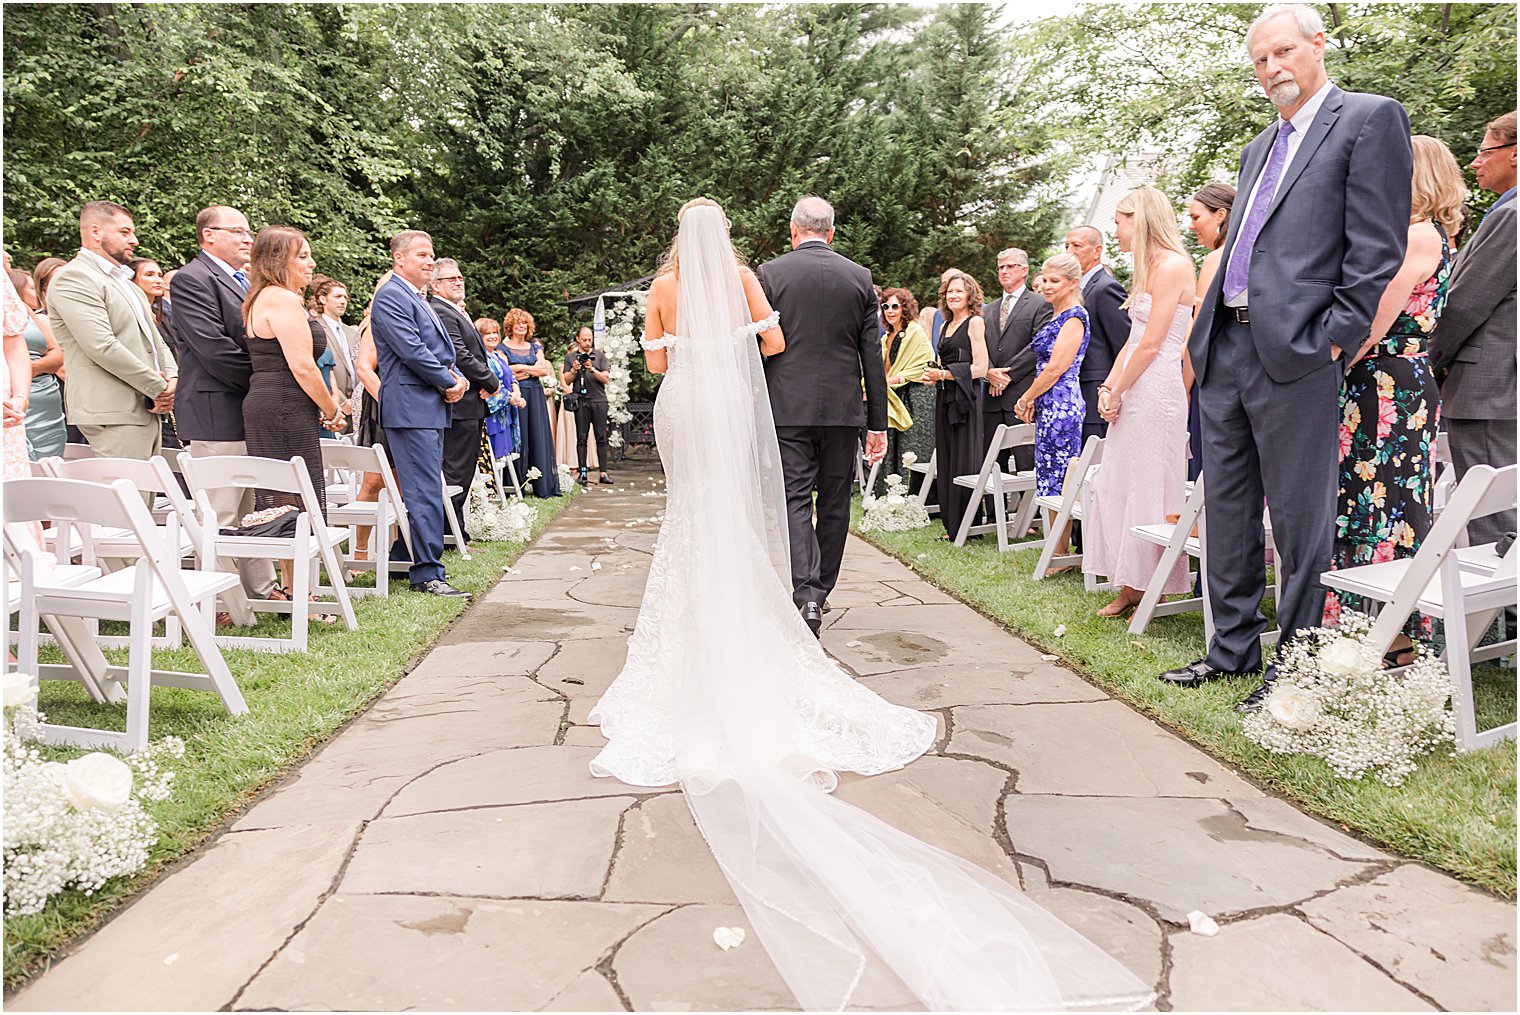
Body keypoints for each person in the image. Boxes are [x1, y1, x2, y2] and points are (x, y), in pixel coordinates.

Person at [585, 197, 1152, 1013]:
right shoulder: (783, 277)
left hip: (699, 412)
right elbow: (788, 341)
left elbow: (661, 367)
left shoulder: (680, 287)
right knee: (816, 506)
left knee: (713, 518)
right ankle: (808, 594)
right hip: (808, 406)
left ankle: (780, 594)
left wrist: (696, 353)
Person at [1163, 4, 1414, 713]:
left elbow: (1376, 249)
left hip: (1299, 351)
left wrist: (1334, 338)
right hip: (1226, 348)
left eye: (1281, 52)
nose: (1271, 69)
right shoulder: (1256, 149)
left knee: (1301, 520)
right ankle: (1231, 648)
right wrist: (1203, 336)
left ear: (1316, 44)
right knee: (1230, 507)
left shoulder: (1369, 119)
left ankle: (1295, 665)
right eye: (1259, 61)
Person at [1324, 134, 1464, 661]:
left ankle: (1391, 634)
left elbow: (1374, 316)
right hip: (1395, 379)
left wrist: (1336, 364)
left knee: (1381, 499)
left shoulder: (1420, 236)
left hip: (1384, 382)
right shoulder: (1427, 234)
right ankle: (1374, 627)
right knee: (1375, 495)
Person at [757, 195, 888, 633]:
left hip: (787, 406)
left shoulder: (770, 275)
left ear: (794, 231)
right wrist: (877, 423)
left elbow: (757, 349)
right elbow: (873, 358)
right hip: (843, 409)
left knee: (794, 497)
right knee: (834, 501)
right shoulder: (860, 278)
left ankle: (805, 594)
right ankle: (821, 592)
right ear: (831, 233)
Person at [1081, 188, 1197, 616]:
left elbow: (1151, 346)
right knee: (1117, 482)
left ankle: (1153, 584)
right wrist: (1108, 388)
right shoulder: (1146, 268)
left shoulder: (1173, 266)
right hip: (1134, 383)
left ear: (1141, 220)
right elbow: (1131, 341)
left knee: (1150, 485)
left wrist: (1118, 389)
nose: (1115, 230)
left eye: (1119, 221)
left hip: (1158, 389)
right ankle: (1128, 581)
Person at [168, 204, 276, 601]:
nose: (248, 239)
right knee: (220, 512)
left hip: (245, 408)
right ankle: (218, 602)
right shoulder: (192, 278)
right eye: (238, 231)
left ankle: (261, 591)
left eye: (249, 232)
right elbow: (212, 348)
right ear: (208, 235)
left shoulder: (244, 279)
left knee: (252, 507)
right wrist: (266, 380)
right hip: (217, 409)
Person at [242, 226, 346, 600]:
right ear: (276, 260)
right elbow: (303, 367)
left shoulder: (261, 298)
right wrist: (332, 409)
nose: (311, 263)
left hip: (275, 403)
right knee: (295, 498)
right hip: (284, 404)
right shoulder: (281, 300)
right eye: (302, 256)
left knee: (287, 497)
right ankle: (302, 594)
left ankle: (295, 589)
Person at [1431, 110, 1518, 547]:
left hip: (1489, 391)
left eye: (1485, 151)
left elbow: (1465, 305)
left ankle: (1505, 614)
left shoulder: (1512, 216)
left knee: (1493, 518)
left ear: (1515, 154)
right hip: (1500, 390)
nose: (1475, 162)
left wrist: (1428, 360)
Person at [371, 230, 472, 599]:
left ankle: (406, 559)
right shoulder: (391, 297)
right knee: (423, 491)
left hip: (425, 407)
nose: (430, 261)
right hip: (412, 407)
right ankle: (428, 573)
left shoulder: (416, 296)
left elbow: (433, 349)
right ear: (399, 258)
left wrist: (455, 375)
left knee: (426, 487)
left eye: (432, 255)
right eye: (422, 255)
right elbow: (411, 351)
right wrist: (448, 381)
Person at [46, 201, 177, 460]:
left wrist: (173, 381)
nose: (135, 240)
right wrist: (158, 387)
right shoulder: (75, 278)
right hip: (112, 409)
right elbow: (101, 345)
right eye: (125, 232)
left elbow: (156, 339)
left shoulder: (125, 282)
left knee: (144, 498)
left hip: (145, 407)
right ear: (96, 232)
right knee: (125, 496)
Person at [1016, 253, 1090, 568]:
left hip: (1062, 403)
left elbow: (1057, 367)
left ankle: (1060, 552)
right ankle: (1057, 549)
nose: (1046, 286)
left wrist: (1026, 398)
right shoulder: (1056, 314)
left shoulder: (1074, 316)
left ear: (1074, 282)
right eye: (1044, 279)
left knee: (1060, 479)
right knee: (1049, 477)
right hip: (1050, 403)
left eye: (1054, 281)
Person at [426, 259, 500, 532]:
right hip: (459, 405)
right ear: (435, 285)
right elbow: (460, 354)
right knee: (456, 470)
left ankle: (455, 527)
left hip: (470, 402)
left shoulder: (453, 310)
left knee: (463, 469)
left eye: (460, 277)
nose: (459, 282)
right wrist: (491, 381)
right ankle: (449, 530)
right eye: (451, 279)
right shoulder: (441, 311)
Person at [920, 270, 988, 541]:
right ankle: (951, 526)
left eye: (959, 291)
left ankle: (968, 526)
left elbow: (981, 368)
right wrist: (932, 374)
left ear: (970, 295)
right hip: (944, 398)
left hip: (965, 401)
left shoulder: (975, 323)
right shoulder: (944, 325)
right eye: (949, 292)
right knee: (946, 459)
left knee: (964, 458)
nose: (953, 296)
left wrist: (945, 375)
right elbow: (941, 362)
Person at [981, 247, 1053, 474]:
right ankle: (992, 511)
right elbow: (981, 347)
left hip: (1022, 396)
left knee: (1026, 464)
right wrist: (990, 372)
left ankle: (1028, 511)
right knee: (992, 464)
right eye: (1000, 267)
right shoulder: (988, 309)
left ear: (1024, 270)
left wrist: (1007, 375)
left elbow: (1038, 345)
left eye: (1010, 266)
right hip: (991, 397)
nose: (1004, 271)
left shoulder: (1040, 303)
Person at [1183, 183, 1236, 480]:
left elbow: (1199, 331)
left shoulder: (1216, 259)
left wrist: (1185, 384)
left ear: (1220, 214)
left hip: (1213, 377)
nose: (1191, 226)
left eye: (1195, 217)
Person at [1064, 225, 1130, 445]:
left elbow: (1124, 343)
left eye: (1077, 246)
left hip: (1097, 392)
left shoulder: (1106, 288)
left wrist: (1112, 390)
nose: (1069, 251)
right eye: (1066, 246)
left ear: (1096, 250)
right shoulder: (1074, 290)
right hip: (1075, 393)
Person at [876, 286, 932, 493]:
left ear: (905, 308)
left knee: (910, 449)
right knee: (891, 446)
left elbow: (925, 362)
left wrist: (901, 377)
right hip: (892, 396)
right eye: (886, 306)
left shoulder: (915, 331)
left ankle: (913, 497)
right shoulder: (885, 337)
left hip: (913, 397)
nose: (890, 311)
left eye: (895, 306)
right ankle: (890, 493)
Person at [500, 308, 561, 498]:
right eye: (517, 322)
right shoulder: (503, 348)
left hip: (535, 395)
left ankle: (542, 485)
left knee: (537, 434)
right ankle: (516, 484)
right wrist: (528, 370)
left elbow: (543, 370)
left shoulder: (535, 347)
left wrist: (518, 368)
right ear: (510, 326)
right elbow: (506, 373)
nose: (521, 326)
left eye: (524, 323)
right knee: (518, 437)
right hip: (516, 395)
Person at [10, 268, 66, 459]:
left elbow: (58, 355)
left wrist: (33, 368)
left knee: (50, 466)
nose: (38, 293)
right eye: (32, 288)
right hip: (16, 398)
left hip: (47, 399)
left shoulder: (25, 310)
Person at [561, 324, 613, 486]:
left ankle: (603, 473)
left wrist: (593, 369)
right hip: (581, 402)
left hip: (598, 400)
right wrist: (574, 370)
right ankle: (583, 473)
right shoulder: (571, 357)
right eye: (584, 339)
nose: (587, 342)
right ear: (578, 339)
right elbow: (567, 380)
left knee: (601, 437)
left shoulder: (599, 356)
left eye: (590, 339)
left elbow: (605, 378)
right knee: (581, 438)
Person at [477, 316, 526, 481]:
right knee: (492, 460)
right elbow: (487, 388)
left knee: (502, 459)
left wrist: (516, 392)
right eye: (487, 334)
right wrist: (510, 398)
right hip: (492, 417)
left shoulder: (497, 355)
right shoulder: (481, 357)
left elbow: (511, 377)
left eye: (495, 332)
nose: (492, 336)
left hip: (504, 415)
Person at [311, 274, 358, 433]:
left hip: (357, 409)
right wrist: (342, 404)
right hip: (330, 409)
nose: (343, 301)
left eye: (345, 297)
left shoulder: (351, 333)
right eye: (337, 296)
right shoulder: (315, 329)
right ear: (323, 299)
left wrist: (357, 401)